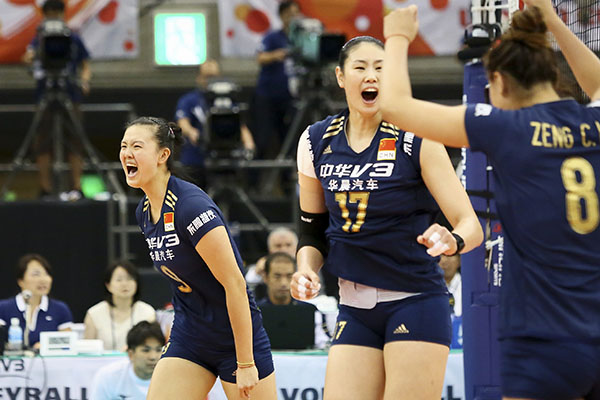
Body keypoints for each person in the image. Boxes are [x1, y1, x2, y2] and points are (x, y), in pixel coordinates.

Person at [381, 3, 600, 399]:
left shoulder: (506, 128)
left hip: (543, 341)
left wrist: (397, 37)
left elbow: (395, 108)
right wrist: (551, 19)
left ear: (497, 80)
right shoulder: (594, 125)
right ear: (552, 74)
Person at [291, 35, 483, 399]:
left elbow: (471, 226)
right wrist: (305, 269)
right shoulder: (315, 141)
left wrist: (451, 240)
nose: (371, 77)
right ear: (340, 77)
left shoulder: (418, 136)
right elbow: (312, 233)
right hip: (354, 306)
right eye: (360, 68)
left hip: (416, 299)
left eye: (381, 68)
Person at [119, 116, 276, 399]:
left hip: (234, 338)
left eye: (137, 146)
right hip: (190, 335)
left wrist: (246, 362)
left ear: (163, 155)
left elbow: (236, 285)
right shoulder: (143, 211)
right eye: (124, 146)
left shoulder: (191, 206)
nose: (127, 153)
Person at [22, 0, 91, 200]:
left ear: (63, 14)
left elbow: (85, 65)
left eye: (57, 13)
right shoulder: (39, 39)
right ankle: (45, 189)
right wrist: (29, 57)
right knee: (42, 141)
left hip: (70, 93)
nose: (53, 16)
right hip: (45, 93)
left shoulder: (73, 39)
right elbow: (28, 58)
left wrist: (85, 82)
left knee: (75, 140)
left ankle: (76, 188)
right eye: (49, 13)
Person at [174, 59, 255, 188]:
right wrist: (192, 132)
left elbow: (240, 125)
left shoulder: (226, 101)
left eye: (214, 77)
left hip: (224, 158)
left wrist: (249, 144)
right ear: (199, 78)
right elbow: (182, 122)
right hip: (195, 159)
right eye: (207, 77)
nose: (210, 81)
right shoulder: (189, 100)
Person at [252, 0, 300, 159]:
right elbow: (260, 57)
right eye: (288, 15)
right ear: (281, 16)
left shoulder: (300, 39)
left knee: (289, 141)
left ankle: (288, 181)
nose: (292, 18)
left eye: (294, 14)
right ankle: (255, 180)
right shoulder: (272, 37)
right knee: (263, 139)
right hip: (268, 96)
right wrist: (277, 55)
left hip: (290, 97)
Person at [257, 252, 330, 349]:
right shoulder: (254, 312)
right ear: (265, 277)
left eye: (289, 276)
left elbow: (325, 345)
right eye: (277, 276)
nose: (283, 283)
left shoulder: (310, 311)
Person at [0, 254, 73, 349]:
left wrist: (46, 346)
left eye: (47, 274)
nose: (43, 280)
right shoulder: (3, 308)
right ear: (21, 281)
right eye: (36, 274)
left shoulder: (60, 309)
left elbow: (67, 344)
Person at [84, 261, 156, 351]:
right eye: (119, 280)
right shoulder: (94, 314)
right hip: (104, 364)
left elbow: (153, 348)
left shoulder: (148, 312)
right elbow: (87, 352)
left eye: (130, 279)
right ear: (108, 285)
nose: (125, 284)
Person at [90, 321, 165, 400]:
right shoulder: (107, 376)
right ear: (131, 354)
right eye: (146, 350)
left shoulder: (171, 378)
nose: (153, 357)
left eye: (158, 350)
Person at [245, 227, 298, 294]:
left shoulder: (307, 266)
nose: (283, 250)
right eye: (278, 246)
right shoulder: (260, 268)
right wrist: (257, 272)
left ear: (297, 247)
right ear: (270, 249)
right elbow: (246, 285)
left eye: (288, 245)